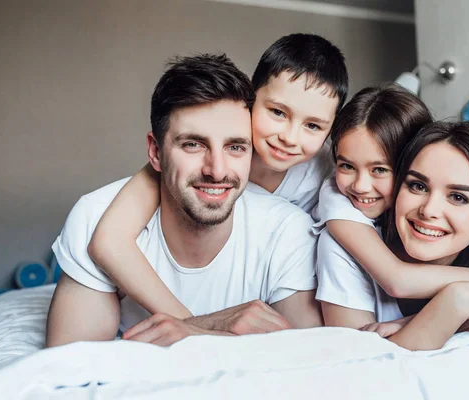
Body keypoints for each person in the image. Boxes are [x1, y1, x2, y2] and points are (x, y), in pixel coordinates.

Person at [46, 53, 323, 348]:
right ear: (155, 152)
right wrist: (211, 327)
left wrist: (195, 332)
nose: (216, 170)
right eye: (193, 144)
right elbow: (69, 371)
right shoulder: (95, 215)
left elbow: (308, 361)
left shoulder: (288, 231)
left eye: (235, 147)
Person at [86, 33, 348, 319]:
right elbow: (109, 240)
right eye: (277, 112)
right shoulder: (192, 162)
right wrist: (194, 325)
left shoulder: (326, 172)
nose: (289, 137)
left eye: (312, 126)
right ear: (249, 99)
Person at [315, 89, 469, 350]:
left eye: (458, 197)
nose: (429, 210)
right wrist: (455, 302)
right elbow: (358, 367)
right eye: (417, 186)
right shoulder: (342, 234)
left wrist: (413, 322)